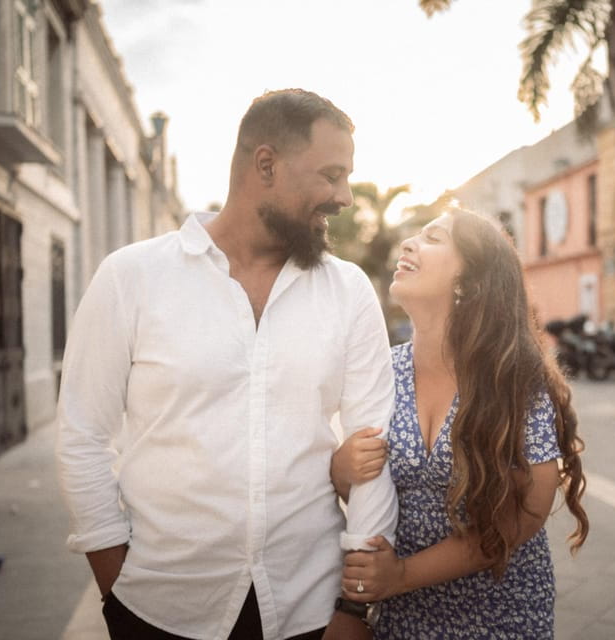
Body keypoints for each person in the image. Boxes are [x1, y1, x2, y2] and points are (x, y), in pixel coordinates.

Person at [56, 88, 398, 640]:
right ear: (266, 165)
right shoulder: (131, 277)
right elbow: (82, 436)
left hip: (310, 608)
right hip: (160, 609)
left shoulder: (349, 290)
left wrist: (356, 609)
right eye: (331, 175)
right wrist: (116, 590)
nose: (345, 197)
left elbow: (375, 445)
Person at [329, 209, 589, 639]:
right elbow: (373, 494)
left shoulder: (512, 378)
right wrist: (342, 470)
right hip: (402, 616)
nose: (409, 243)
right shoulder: (381, 372)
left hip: (500, 616)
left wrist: (403, 574)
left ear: (469, 281)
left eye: (432, 238)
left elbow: (526, 513)